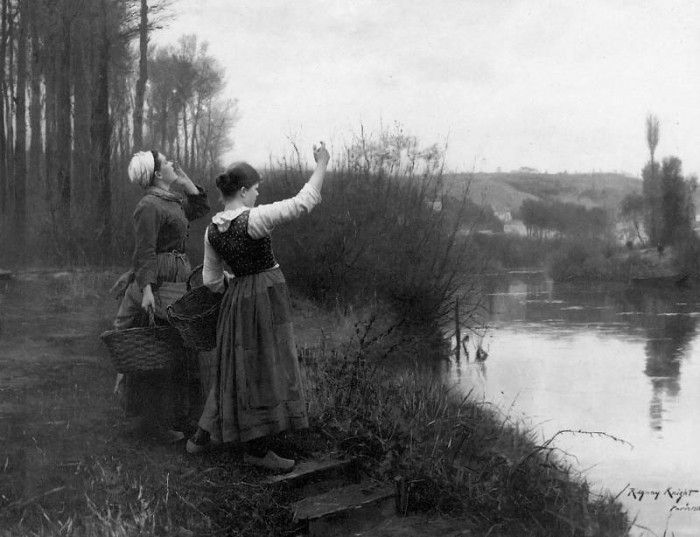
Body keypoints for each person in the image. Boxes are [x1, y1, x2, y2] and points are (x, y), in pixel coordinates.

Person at [186, 142, 330, 471]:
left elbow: (210, 281)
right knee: (265, 368)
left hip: (236, 302)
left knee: (234, 369)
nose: (257, 196)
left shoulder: (212, 230)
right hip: (264, 299)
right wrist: (322, 164)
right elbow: (303, 202)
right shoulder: (254, 220)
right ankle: (257, 449)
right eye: (255, 190)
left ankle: (201, 437)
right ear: (242, 190)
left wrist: (235, 282)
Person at [112, 150, 209, 440]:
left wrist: (186, 182)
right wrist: (147, 290)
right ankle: (155, 423)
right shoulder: (148, 206)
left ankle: (177, 417)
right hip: (161, 279)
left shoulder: (172, 201)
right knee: (162, 346)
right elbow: (144, 251)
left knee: (179, 344)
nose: (171, 164)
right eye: (166, 162)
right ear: (155, 173)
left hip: (178, 275)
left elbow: (200, 207)